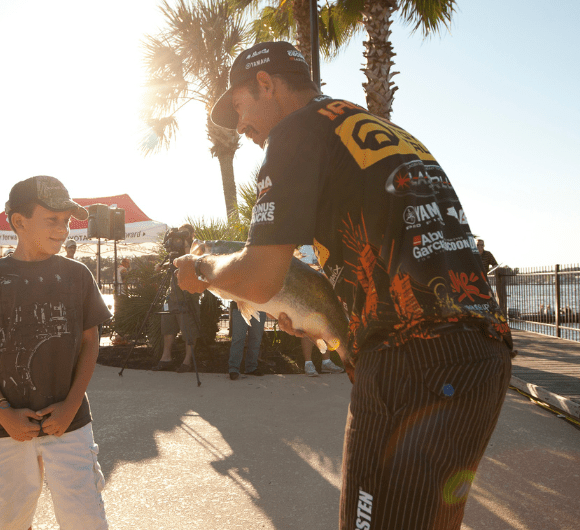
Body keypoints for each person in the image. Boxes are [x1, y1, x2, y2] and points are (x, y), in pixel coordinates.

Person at [174, 41, 513, 530]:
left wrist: (201, 272)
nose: (242, 128)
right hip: (482, 354)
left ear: (266, 84)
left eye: (242, 108)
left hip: (412, 361)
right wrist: (319, 320)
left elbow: (260, 275)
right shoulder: (381, 129)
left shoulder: (294, 133)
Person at [0, 175, 112, 530]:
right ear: (19, 222)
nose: (63, 229)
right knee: (5, 520)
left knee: (85, 518)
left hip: (70, 424)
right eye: (52, 219)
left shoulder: (78, 275)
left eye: (66, 220)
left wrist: (70, 405)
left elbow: (89, 342)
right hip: (3, 428)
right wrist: (2, 411)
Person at [152, 224, 200, 373]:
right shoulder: (177, 246)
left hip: (188, 290)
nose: (181, 237)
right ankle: (166, 358)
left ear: (192, 234)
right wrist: (163, 266)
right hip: (173, 290)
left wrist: (187, 245)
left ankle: (187, 362)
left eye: (185, 234)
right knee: (168, 324)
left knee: (188, 327)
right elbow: (175, 263)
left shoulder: (196, 246)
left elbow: (190, 262)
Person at [294, 245, 345, 377]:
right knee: (307, 330)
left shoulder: (326, 247)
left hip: (325, 296)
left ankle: (326, 363)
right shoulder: (305, 249)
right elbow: (302, 273)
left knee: (326, 328)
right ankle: (308, 364)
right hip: (308, 297)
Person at [227, 302, 265, 380]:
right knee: (238, 338)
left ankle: (251, 367)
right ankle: (233, 369)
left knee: (256, 338)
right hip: (240, 306)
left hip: (260, 307)